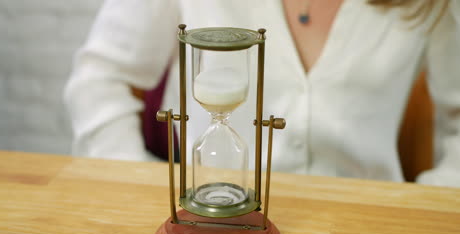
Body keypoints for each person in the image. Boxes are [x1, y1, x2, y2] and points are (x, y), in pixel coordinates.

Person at [64, 0, 460, 187]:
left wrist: (427, 205)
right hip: (214, 215)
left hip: (364, 225)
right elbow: (101, 77)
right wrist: (130, 183)